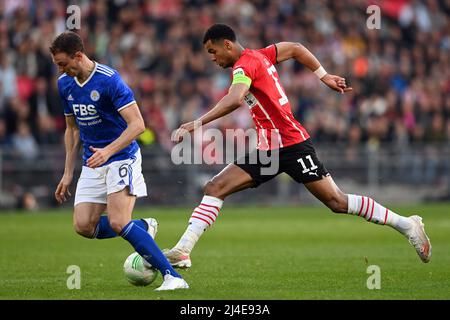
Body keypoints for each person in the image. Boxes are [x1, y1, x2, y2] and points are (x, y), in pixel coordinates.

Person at [165, 24, 431, 269]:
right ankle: (183, 250)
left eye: (213, 51)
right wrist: (323, 75)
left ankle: (407, 224)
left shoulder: (243, 66)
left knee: (336, 201)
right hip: (269, 150)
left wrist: (197, 122)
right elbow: (295, 48)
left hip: (292, 145)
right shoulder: (262, 55)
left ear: (227, 44)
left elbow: (235, 99)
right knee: (215, 187)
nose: (213, 58)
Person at [51, 31, 188, 291]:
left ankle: (173, 277)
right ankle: (144, 227)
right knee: (83, 226)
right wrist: (68, 172)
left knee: (117, 221)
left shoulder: (109, 80)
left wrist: (109, 151)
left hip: (121, 157)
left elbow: (138, 125)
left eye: (62, 63)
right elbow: (72, 129)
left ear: (78, 56)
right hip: (93, 162)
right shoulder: (65, 84)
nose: (60, 69)